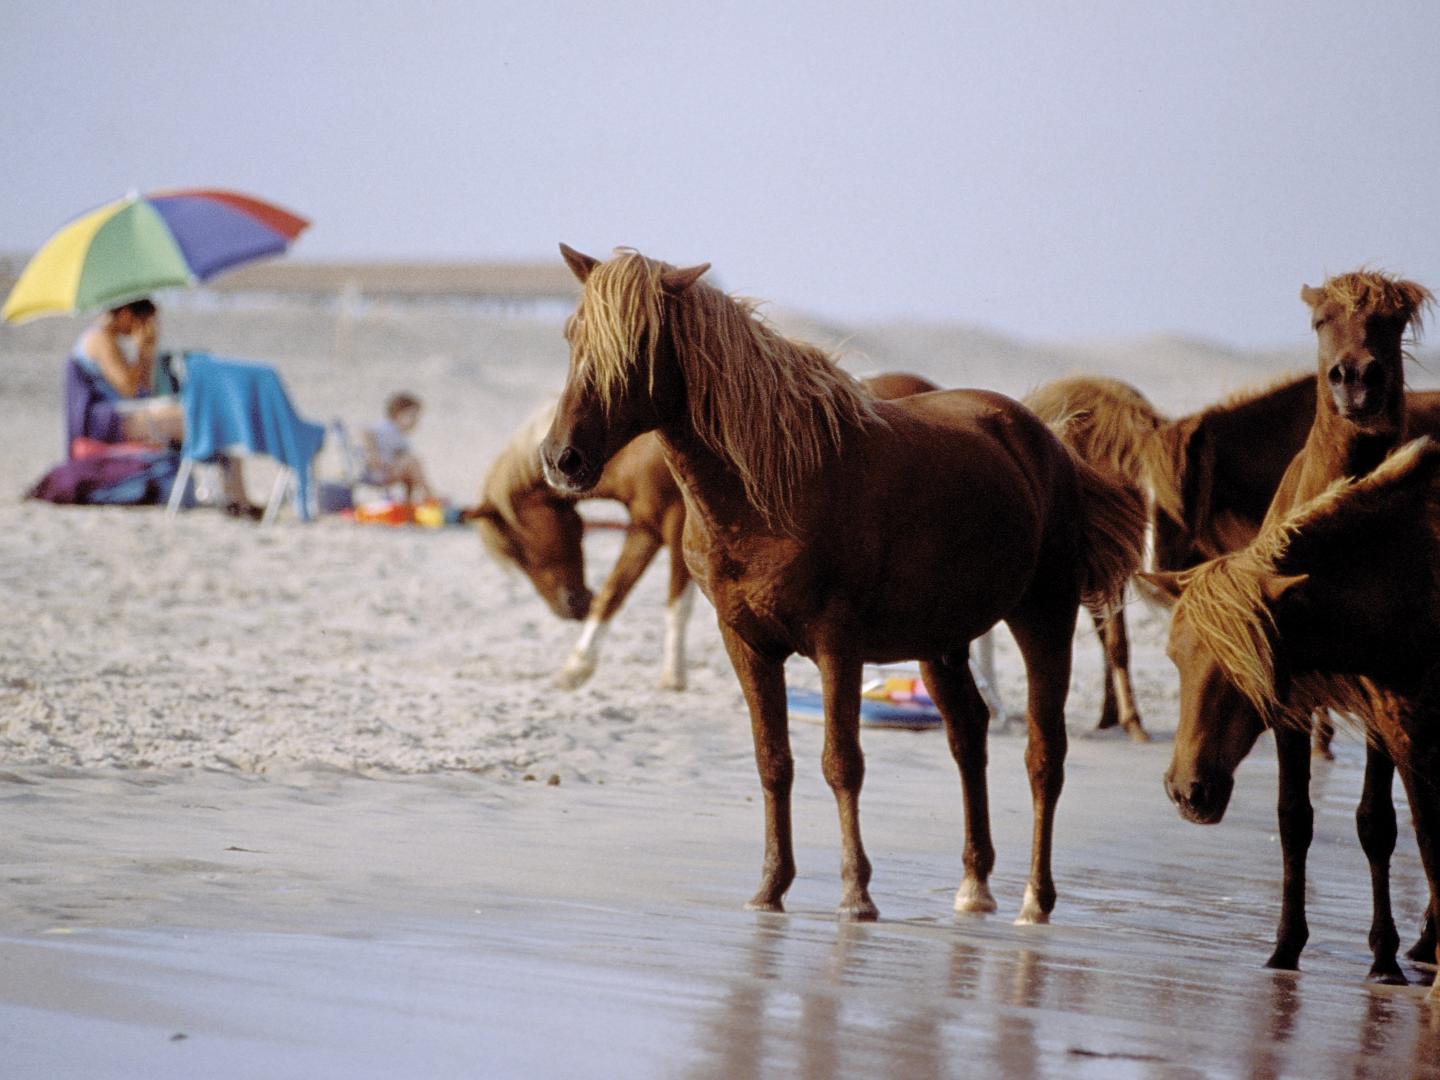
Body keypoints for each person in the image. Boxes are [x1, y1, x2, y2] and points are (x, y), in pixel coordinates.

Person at [72, 298, 257, 517]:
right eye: (143, 323)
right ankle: (236, 497)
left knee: (205, 419)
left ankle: (234, 495)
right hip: (106, 421)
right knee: (205, 422)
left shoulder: (107, 338)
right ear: (125, 315)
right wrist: (142, 350)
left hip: (119, 415)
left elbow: (146, 390)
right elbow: (128, 388)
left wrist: (147, 351)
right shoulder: (100, 339)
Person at [362, 391, 434, 503]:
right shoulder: (388, 427)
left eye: (416, 417)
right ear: (397, 414)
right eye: (411, 416)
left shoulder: (403, 437)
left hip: (388, 470)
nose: (415, 420)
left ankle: (409, 501)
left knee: (412, 464)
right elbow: (366, 431)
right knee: (412, 462)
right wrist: (372, 453)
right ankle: (430, 496)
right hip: (377, 472)